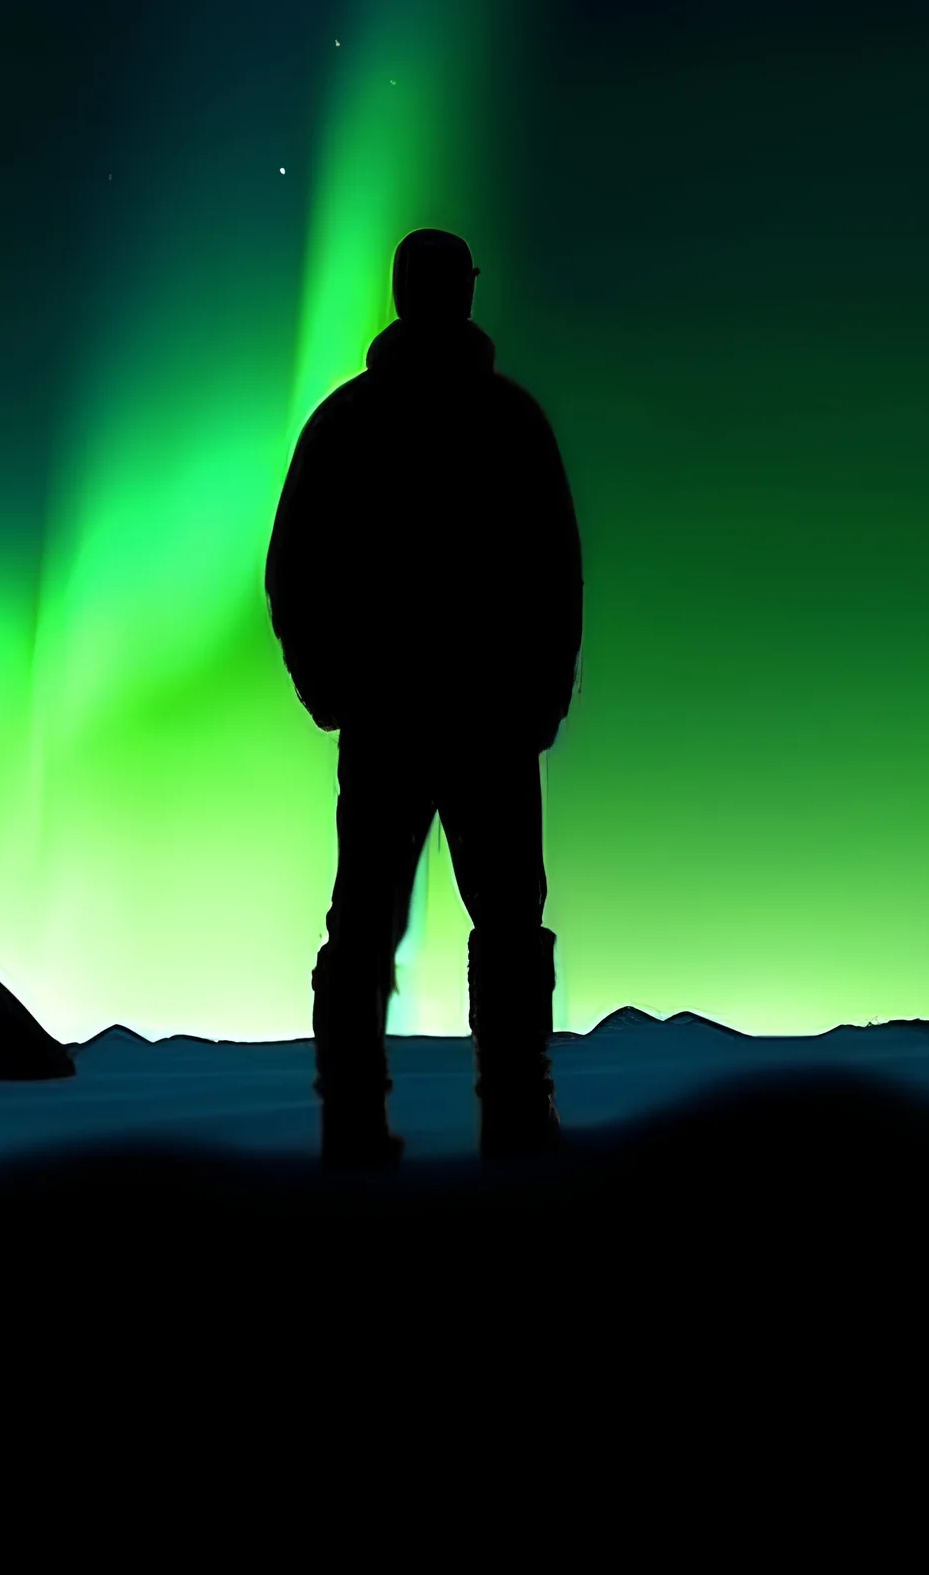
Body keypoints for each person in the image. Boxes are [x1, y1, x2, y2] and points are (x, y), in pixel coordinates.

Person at [266, 227, 583, 1169]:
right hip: (479, 720)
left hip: (399, 719)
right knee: (490, 921)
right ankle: (514, 1121)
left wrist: (331, 688)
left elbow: (294, 571)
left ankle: (355, 1128)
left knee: (368, 924)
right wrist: (541, 696)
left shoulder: (347, 421)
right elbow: (557, 576)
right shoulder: (508, 420)